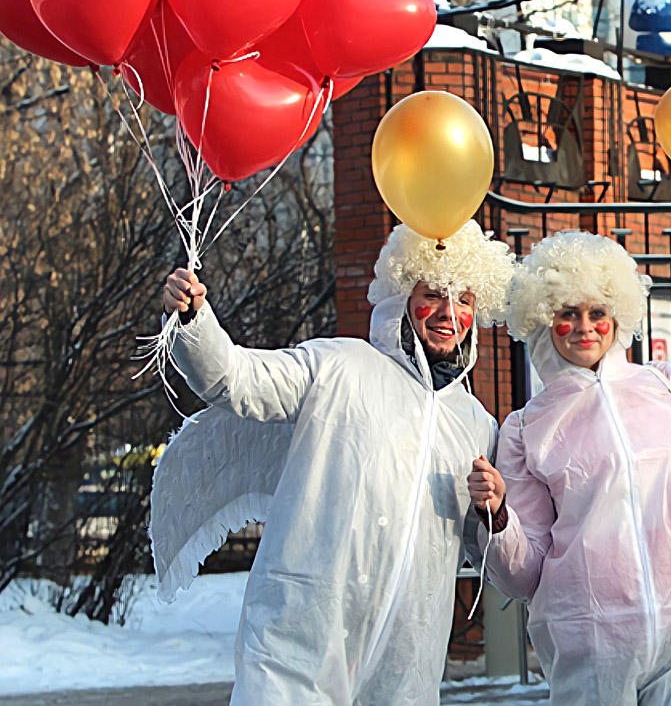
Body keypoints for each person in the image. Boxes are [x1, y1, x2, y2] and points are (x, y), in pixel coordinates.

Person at [149, 221, 515, 706]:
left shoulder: (475, 423)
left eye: (465, 300)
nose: (450, 313)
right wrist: (194, 317)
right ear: (402, 296)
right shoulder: (337, 366)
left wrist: (495, 513)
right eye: (433, 295)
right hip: (296, 650)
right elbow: (235, 379)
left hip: (404, 671)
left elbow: (482, 552)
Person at [466, 230, 671, 706]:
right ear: (543, 317)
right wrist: (498, 518)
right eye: (568, 313)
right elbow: (521, 576)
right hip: (591, 639)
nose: (585, 327)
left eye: (597, 312)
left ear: (618, 315)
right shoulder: (524, 427)